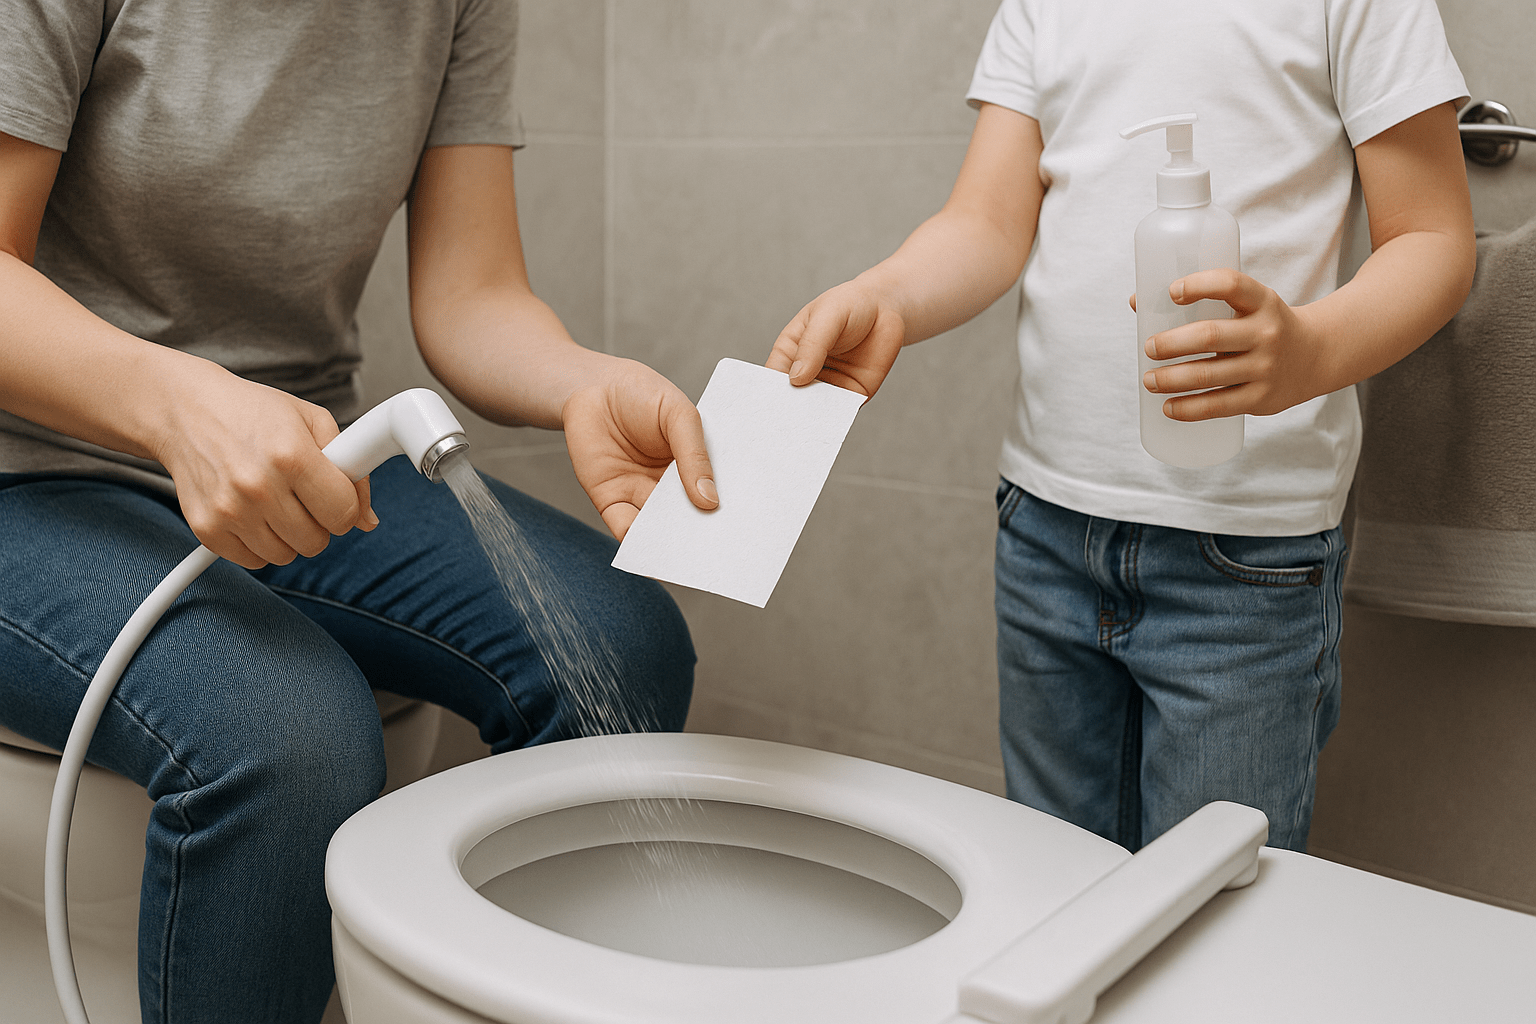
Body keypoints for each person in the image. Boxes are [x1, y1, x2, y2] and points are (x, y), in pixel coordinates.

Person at [0, 1, 718, 1021]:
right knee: (290, 738)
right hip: (30, 472)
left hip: (307, 457)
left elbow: (473, 289)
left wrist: (578, 384)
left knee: (623, 640)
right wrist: (174, 405)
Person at [768, 0, 1475, 853]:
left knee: (1215, 918)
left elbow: (1433, 235)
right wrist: (887, 295)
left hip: (1244, 561)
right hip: (1044, 536)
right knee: (1052, 887)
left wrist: (1311, 353)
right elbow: (985, 224)